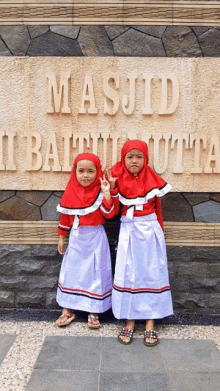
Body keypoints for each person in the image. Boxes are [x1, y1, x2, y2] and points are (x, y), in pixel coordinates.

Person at [109, 140, 173, 346]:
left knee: (150, 273)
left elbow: (159, 211)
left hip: (150, 233)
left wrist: (160, 237)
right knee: (129, 274)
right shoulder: (116, 179)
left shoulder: (152, 180)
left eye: (139, 157)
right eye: (130, 157)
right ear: (123, 158)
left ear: (146, 159)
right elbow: (112, 211)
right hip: (129, 232)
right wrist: (110, 188)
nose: (134, 161)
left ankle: (150, 322)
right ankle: (129, 320)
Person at [55, 153, 116, 328]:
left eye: (90, 171)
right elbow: (66, 217)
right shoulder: (71, 191)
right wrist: (61, 237)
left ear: (97, 172)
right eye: (81, 171)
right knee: (72, 273)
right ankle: (67, 310)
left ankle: (94, 311)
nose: (85, 175)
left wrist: (107, 193)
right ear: (75, 172)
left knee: (94, 273)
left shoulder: (100, 191)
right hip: (76, 238)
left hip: (95, 238)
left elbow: (109, 213)